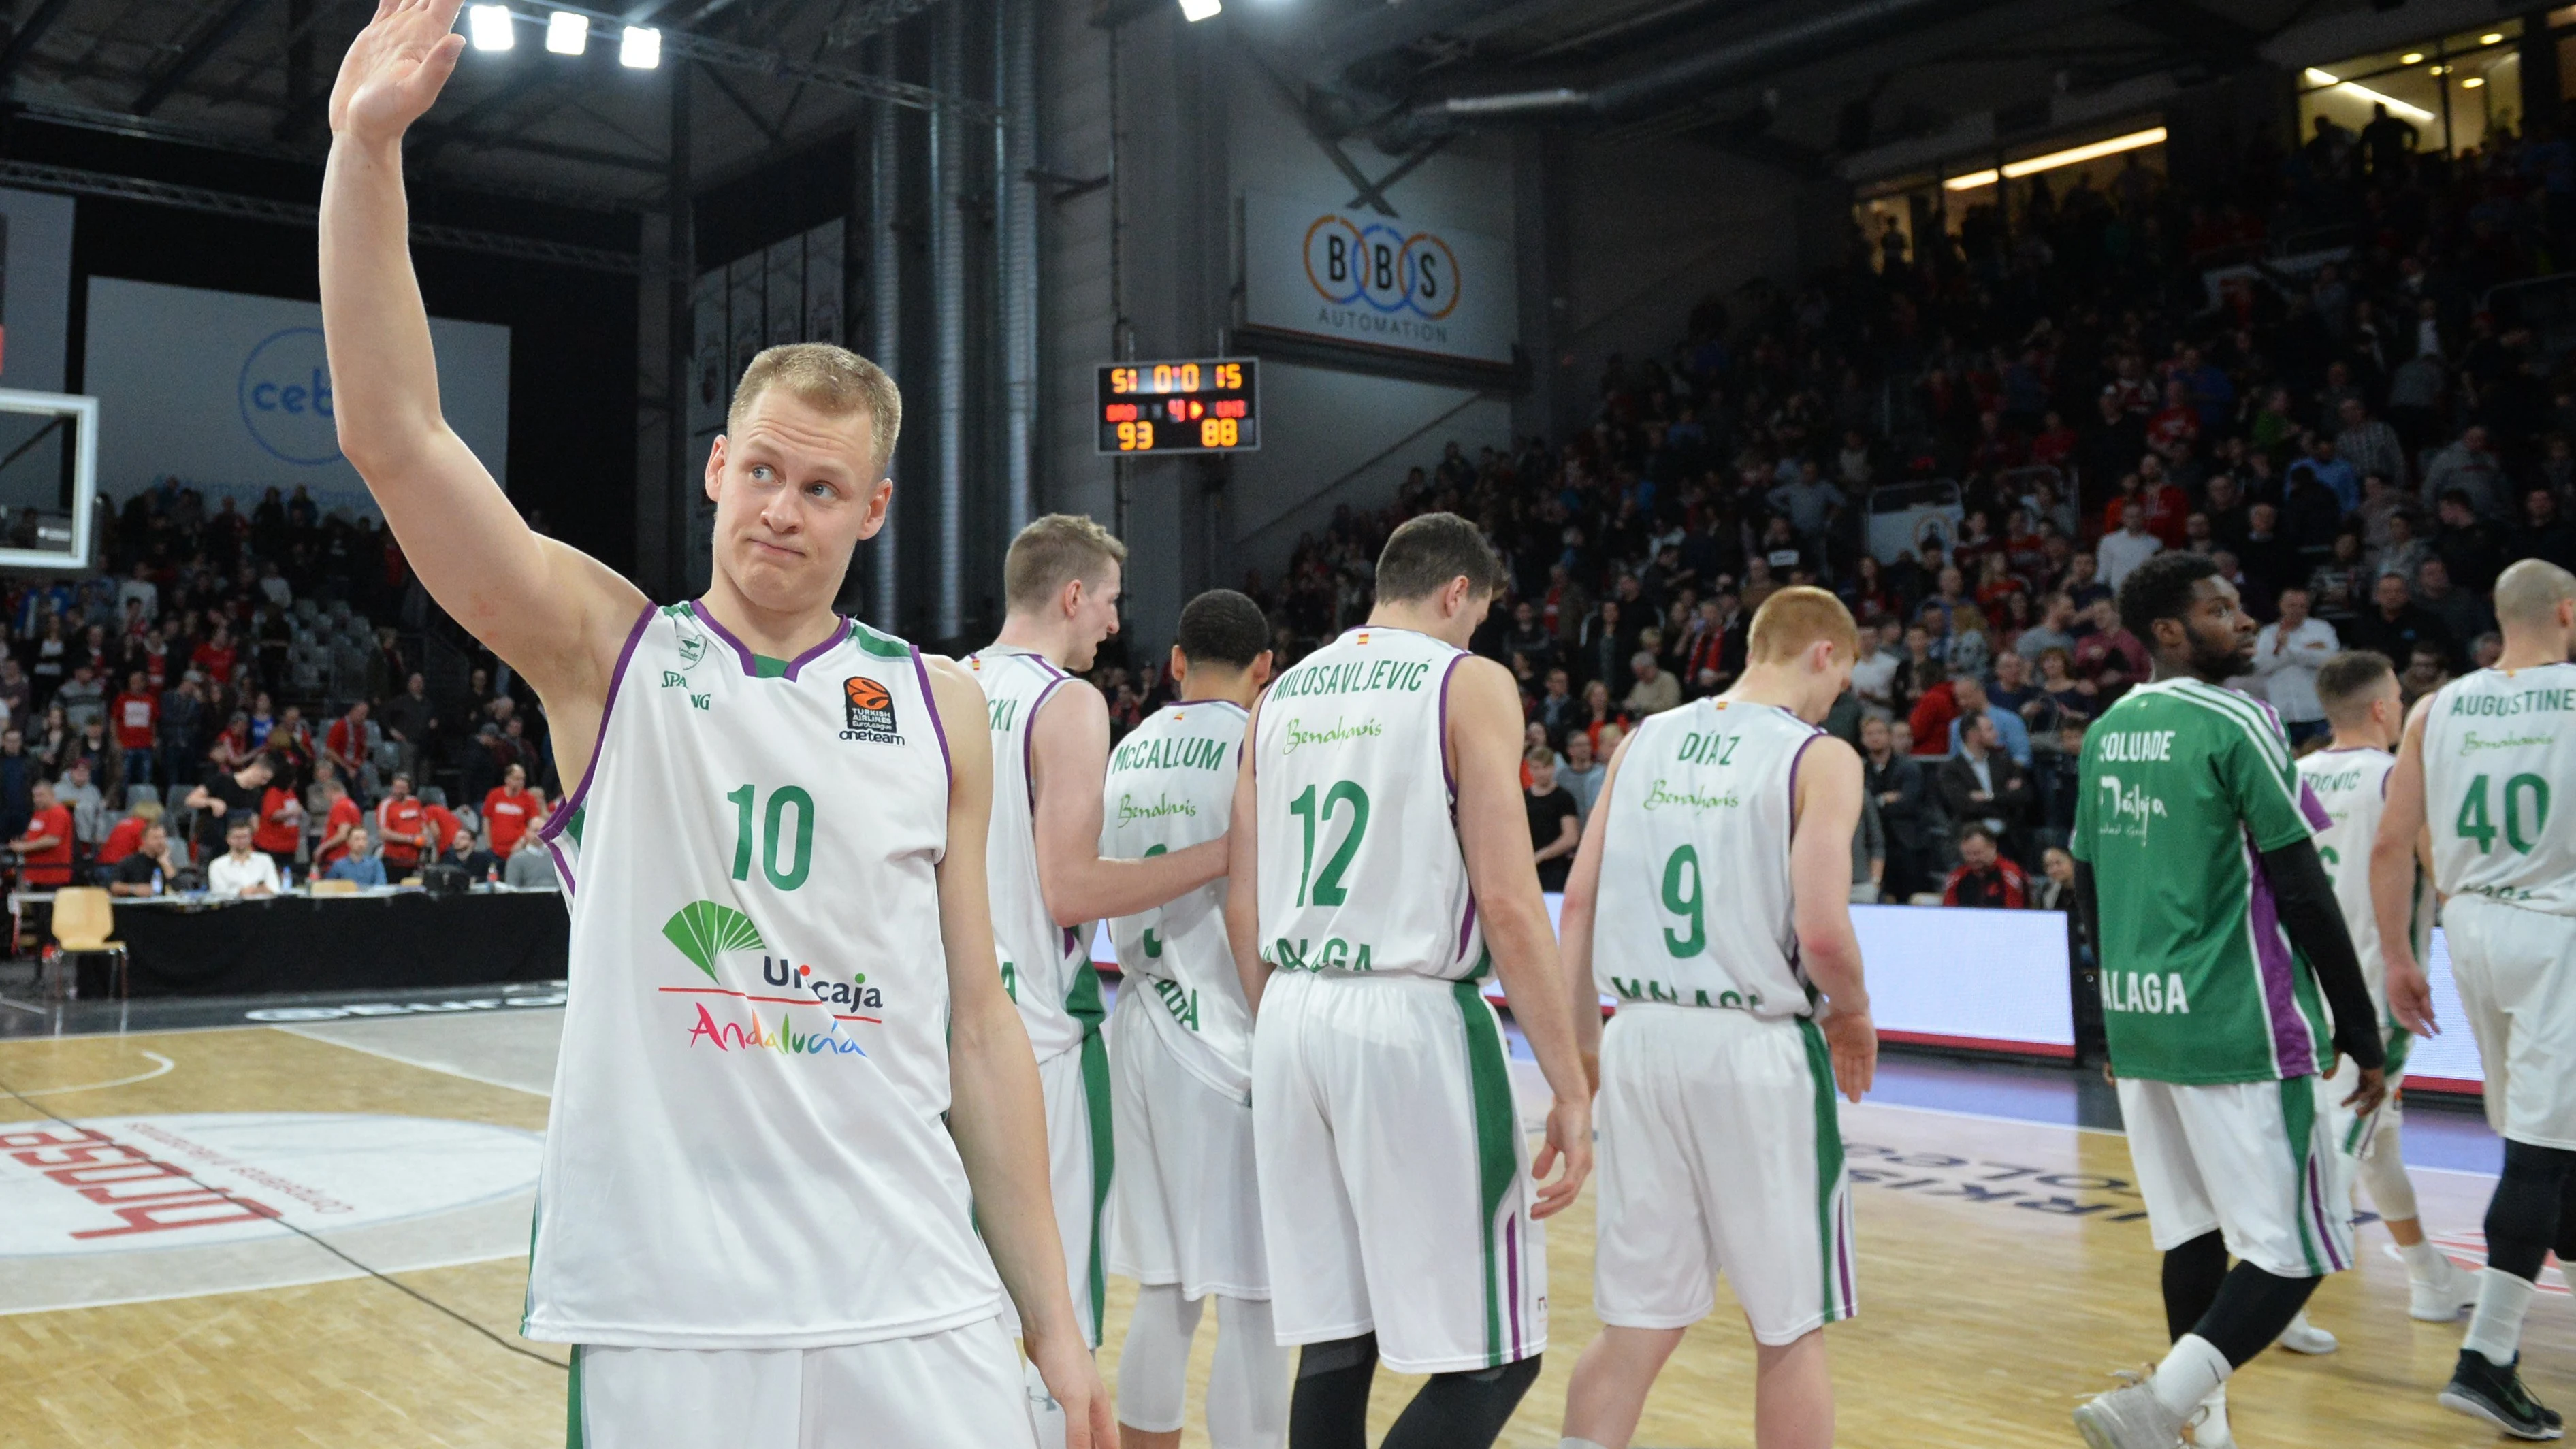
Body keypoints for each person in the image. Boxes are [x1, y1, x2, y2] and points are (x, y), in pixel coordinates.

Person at [321, 6, 1103, 1442]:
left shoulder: (940, 707)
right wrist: (364, 151)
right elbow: (396, 435)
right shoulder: (608, 655)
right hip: (669, 1299)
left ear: (874, 508)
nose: (779, 511)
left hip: (907, 1280)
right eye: (759, 471)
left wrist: (1051, 1310)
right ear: (712, 471)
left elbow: (982, 1032)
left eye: (819, 488)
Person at [1225, 512, 1590, 1448]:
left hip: (1292, 1006)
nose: (1478, 637)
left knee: (1339, 1341)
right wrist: (1571, 1083)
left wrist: (1287, 1024)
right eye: (1478, 618)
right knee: (1499, 1353)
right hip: (1409, 1010)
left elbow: (1243, 893)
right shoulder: (1467, 681)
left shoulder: (1282, 692)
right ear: (1458, 592)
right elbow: (1509, 903)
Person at [2067, 552, 2386, 1449]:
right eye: (2220, 608)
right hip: (2235, 1023)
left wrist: (2112, 1011)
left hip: (2142, 1023)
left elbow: (2088, 886)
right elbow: (2302, 889)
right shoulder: (2239, 718)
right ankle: (2156, 1406)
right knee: (2301, 1248)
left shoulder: (2106, 730)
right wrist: (2360, 1028)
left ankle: (2200, 1436)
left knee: (2192, 1238)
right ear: (2170, 631)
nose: (2244, 621)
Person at [1556, 585, 1874, 1449]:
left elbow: (1577, 904)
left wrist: (1580, 1055)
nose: (1837, 699)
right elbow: (1820, 928)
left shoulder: (1641, 740)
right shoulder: (1818, 757)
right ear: (1822, 654)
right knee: (1788, 1325)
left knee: (1636, 1326)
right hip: (1751, 1047)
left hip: (1640, 1037)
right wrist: (1853, 1013)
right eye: (1842, 679)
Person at [967, 515, 1230, 1386]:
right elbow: (1069, 889)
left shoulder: (943, 684)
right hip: (1035, 1041)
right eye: (1110, 602)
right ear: (1072, 595)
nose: (1115, 625)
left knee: (960, 1317)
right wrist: (1226, 853)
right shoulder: (1067, 700)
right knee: (1058, 1325)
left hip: (939, 1035)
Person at [2373, 559, 2576, 1435]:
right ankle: (2487, 1357)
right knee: (2539, 1147)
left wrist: (2396, 954)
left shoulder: (2435, 706)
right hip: (2557, 928)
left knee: (2547, 1132)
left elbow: (2390, 843)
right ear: (2568, 614)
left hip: (2470, 931)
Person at [1094, 589, 1287, 1449]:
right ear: (1264, 669)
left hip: (1134, 1020)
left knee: (1167, 1291)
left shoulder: (1127, 744)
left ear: (1174, 662)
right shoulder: (1258, 743)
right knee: (1253, 1301)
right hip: (1225, 1033)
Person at [2293, 651, 2482, 1328]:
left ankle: (2429, 1276)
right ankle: (2277, 1291)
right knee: (2344, 1137)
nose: (2401, 706)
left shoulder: (2296, 774)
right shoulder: (2398, 778)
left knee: (2377, 1139)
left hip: (2305, 989)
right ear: (2380, 707)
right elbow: (2443, 871)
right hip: (2375, 990)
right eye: (2397, 696)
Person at [1935, 709, 2032, 859]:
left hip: (2008, 840)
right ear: (1973, 734)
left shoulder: (2005, 762)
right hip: (1970, 842)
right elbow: (1963, 805)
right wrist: (2005, 801)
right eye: (1990, 729)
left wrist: (1989, 797)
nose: (1996, 734)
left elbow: (2024, 796)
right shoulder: (1951, 769)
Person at [2247, 587, 2337, 747]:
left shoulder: (2322, 629)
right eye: (2292, 605)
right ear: (2281, 606)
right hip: (2282, 712)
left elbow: (2330, 660)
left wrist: (2286, 649)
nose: (2298, 610)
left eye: (2302, 606)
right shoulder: (2268, 633)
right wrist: (2306, 652)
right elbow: (2260, 667)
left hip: (2316, 712)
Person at [182, 752, 273, 862]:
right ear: (255, 768)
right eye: (263, 778)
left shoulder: (256, 794)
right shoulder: (222, 780)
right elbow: (190, 800)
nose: (264, 783)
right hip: (210, 842)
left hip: (235, 848)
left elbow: (255, 825)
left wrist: (252, 825)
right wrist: (211, 802)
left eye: (267, 781)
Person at [1526, 745, 1579, 892]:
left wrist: (1540, 856)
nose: (1541, 773)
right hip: (1527, 870)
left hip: (1556, 871)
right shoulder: (1523, 799)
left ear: (1553, 767)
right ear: (1529, 769)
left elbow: (1571, 837)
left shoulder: (1564, 798)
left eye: (1545, 767)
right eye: (1536, 768)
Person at [1941, 824, 2027, 908]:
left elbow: (2015, 914)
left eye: (1977, 853)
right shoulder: (1957, 878)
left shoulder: (2010, 875)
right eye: (1968, 854)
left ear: (1993, 847)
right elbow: (1948, 912)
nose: (1973, 859)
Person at [10, 780, 73, 888]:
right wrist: (23, 840)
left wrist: (23, 847)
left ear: (52, 795)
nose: (37, 800)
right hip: (36, 873)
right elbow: (35, 833)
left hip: (52, 875)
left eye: (41, 796)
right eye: (35, 796)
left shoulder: (58, 813)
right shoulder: (40, 812)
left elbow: (52, 840)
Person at [206, 817, 281, 898]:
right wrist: (240, 892)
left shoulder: (265, 860)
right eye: (237, 837)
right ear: (228, 839)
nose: (241, 841)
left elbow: (275, 888)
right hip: (232, 909)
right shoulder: (217, 865)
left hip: (262, 907)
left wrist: (251, 891)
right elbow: (218, 894)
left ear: (251, 838)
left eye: (245, 837)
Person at [374, 772, 431, 877]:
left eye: (402, 788)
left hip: (415, 859)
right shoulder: (385, 805)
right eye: (396, 787)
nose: (398, 791)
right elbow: (384, 833)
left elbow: (424, 823)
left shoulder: (415, 802)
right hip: (395, 860)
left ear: (408, 789)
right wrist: (411, 839)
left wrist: (425, 836)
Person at [481, 762, 541, 859]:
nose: (521, 782)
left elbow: (533, 825)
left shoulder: (529, 799)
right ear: (507, 779)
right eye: (517, 779)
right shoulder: (494, 795)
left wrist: (522, 842)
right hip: (495, 850)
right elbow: (486, 821)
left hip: (518, 850)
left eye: (522, 779)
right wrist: (489, 845)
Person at [108, 819, 178, 898]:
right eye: (156, 838)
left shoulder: (167, 863)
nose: (161, 842)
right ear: (144, 840)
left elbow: (179, 889)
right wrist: (134, 889)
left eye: (163, 837)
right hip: (136, 908)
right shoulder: (130, 862)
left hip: (161, 908)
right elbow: (113, 886)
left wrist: (165, 863)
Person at [110, 670, 157, 787]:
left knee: (145, 778)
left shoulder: (150, 700)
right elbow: (114, 720)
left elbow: (153, 722)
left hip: (145, 745)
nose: (134, 685)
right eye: (132, 682)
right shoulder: (122, 699)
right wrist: (116, 740)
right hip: (126, 745)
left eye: (137, 682)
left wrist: (154, 738)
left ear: (144, 683)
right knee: (124, 778)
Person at [313, 776, 364, 871]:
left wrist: (322, 848)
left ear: (330, 792)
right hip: (350, 857)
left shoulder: (340, 807)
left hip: (338, 858)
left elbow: (343, 834)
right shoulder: (352, 805)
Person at [324, 823, 387, 888]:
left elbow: (381, 884)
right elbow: (329, 887)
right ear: (348, 842)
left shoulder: (375, 863)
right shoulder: (338, 865)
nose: (361, 843)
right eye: (357, 839)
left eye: (364, 839)